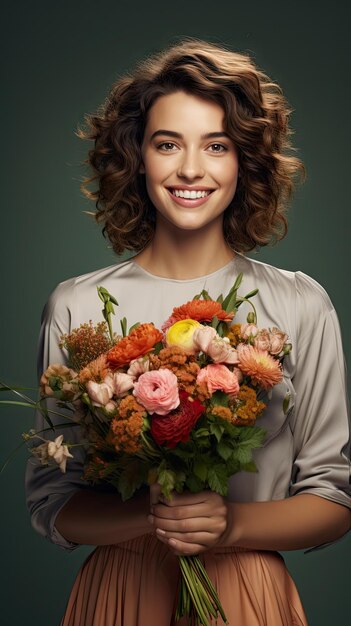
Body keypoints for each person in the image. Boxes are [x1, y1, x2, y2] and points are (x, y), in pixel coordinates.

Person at [25, 38, 351, 626]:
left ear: (244, 161)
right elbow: (54, 501)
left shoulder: (301, 304)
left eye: (217, 145)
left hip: (248, 591)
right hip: (123, 592)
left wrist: (231, 524)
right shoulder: (75, 306)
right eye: (167, 143)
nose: (191, 168)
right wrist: (151, 517)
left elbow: (333, 497)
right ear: (136, 157)